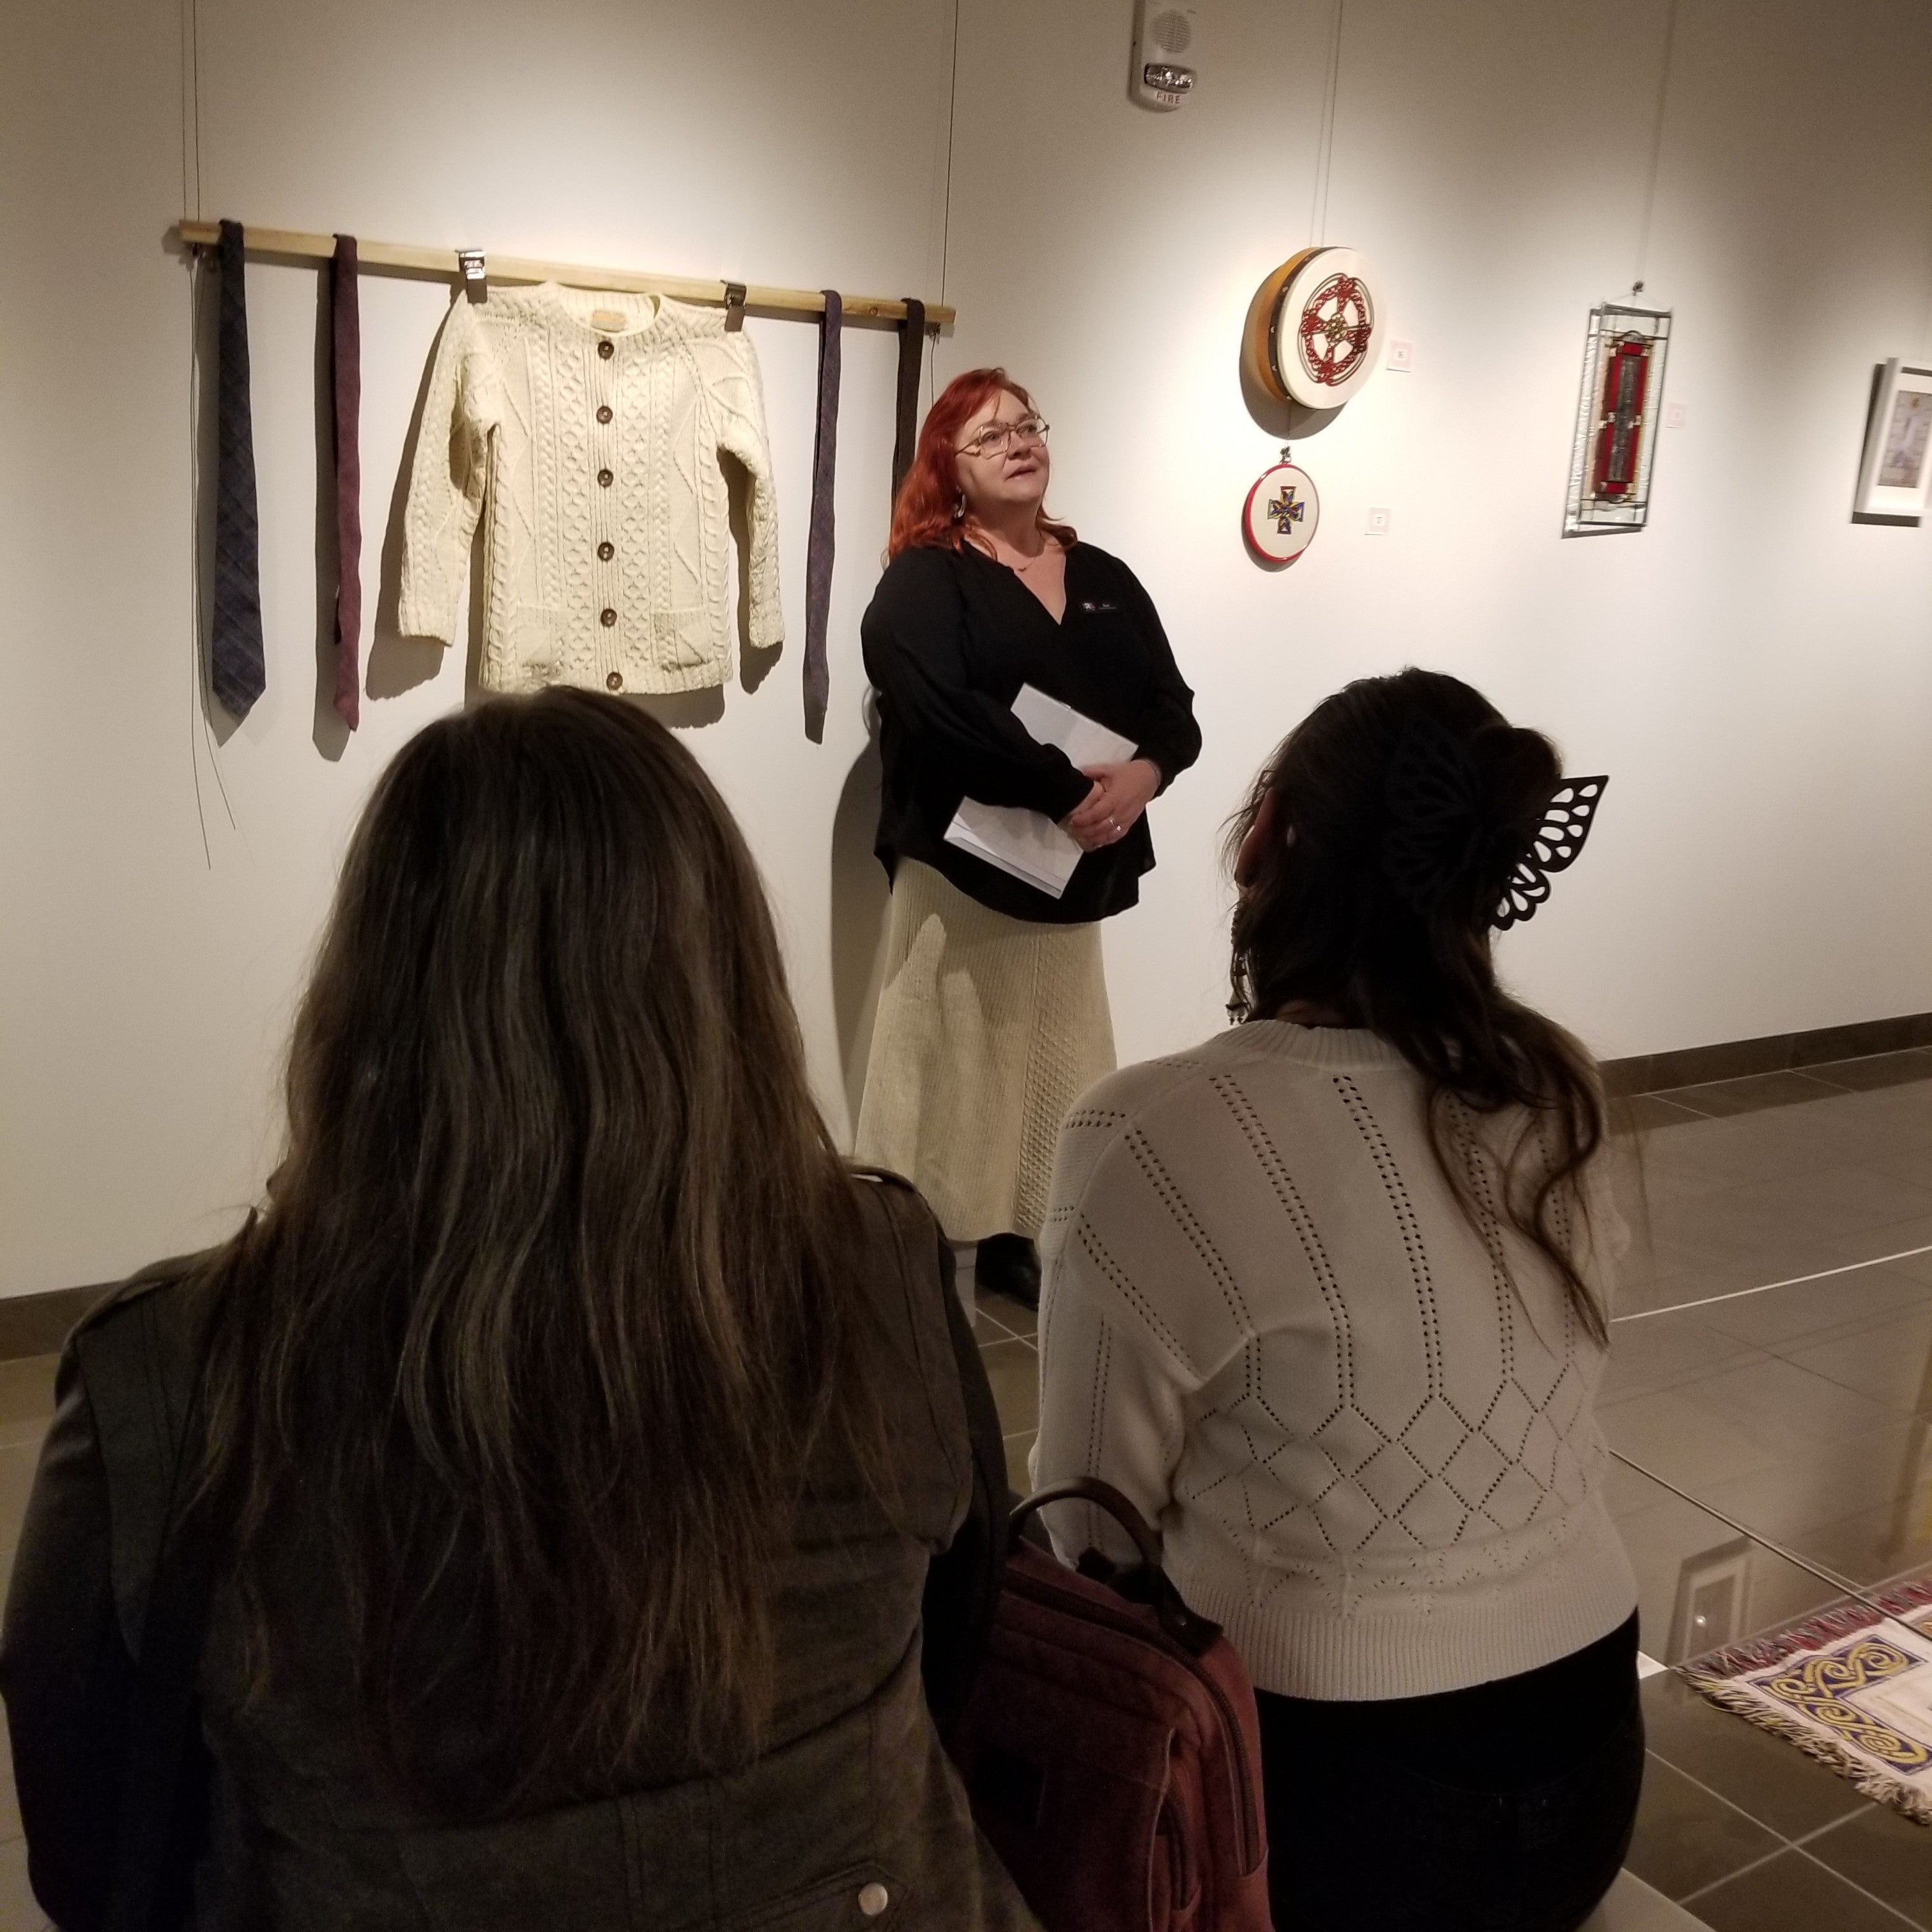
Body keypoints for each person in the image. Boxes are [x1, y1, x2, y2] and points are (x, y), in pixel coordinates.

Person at [1, 691, 1037, 1932]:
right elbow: (960, 1643)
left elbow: (92, 1857)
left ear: (369, 994)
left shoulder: (173, 1381)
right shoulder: (882, 1274)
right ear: (726, 984)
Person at [1032, 668, 1639, 1931]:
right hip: (1592, 1760)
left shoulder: (1149, 1131)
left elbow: (1095, 1535)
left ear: (1270, 840)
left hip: (1339, 1797)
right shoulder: (1561, 1093)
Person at [855, 369, 1200, 1309]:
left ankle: (1024, 1230)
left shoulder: (1104, 578)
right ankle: (911, 1236)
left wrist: (1142, 778)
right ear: (949, 471)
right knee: (946, 1058)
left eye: (1028, 426)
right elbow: (935, 710)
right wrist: (1060, 790)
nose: (1019, 443)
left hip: (1072, 873)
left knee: (1053, 1056)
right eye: (990, 436)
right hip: (964, 876)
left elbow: (1174, 710)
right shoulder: (928, 577)